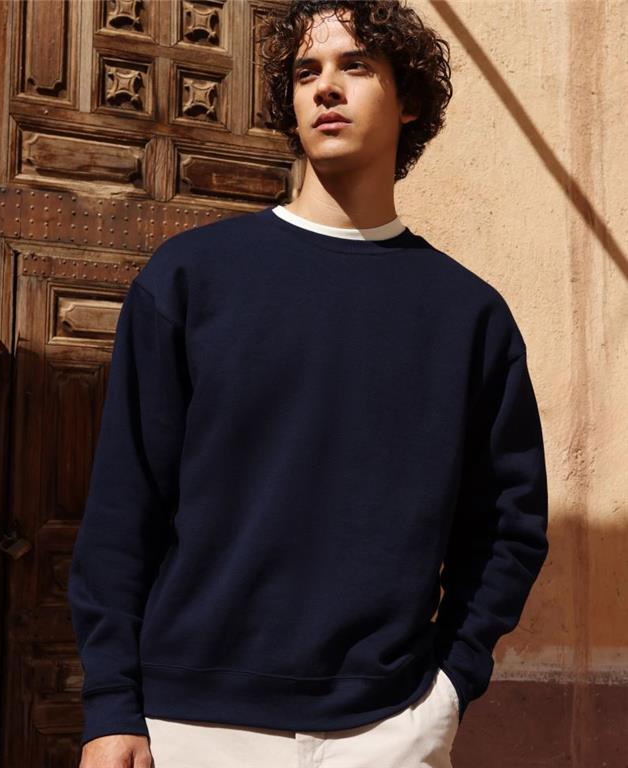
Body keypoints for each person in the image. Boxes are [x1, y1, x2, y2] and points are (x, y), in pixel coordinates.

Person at [67, 1, 550, 767]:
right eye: (305, 72)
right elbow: (125, 509)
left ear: (409, 99)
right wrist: (110, 708)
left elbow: (507, 528)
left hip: (387, 730)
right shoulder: (191, 279)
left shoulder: (468, 315)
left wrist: (449, 689)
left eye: (355, 65)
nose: (325, 86)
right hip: (193, 726)